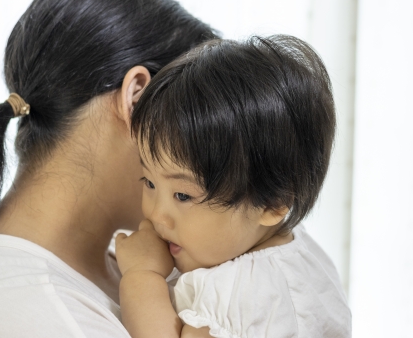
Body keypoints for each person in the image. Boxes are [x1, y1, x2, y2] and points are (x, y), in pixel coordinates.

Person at [0, 0, 217, 338]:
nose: (210, 154)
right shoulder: (31, 312)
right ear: (137, 99)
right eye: (197, 122)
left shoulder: (132, 262)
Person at [115, 36, 352, 338]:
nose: (157, 214)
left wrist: (141, 275)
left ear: (272, 203)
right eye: (149, 182)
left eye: (183, 195)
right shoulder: (299, 254)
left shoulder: (236, 302)